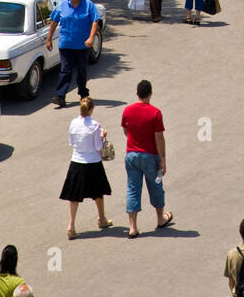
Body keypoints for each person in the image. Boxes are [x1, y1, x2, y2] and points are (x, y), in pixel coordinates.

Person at [121, 79, 173, 237]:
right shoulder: (155, 113)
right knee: (156, 187)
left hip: (131, 155)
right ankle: (160, 219)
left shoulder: (128, 110)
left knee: (132, 189)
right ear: (150, 93)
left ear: (137, 93)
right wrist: (163, 159)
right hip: (150, 156)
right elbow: (159, 138)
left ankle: (132, 227)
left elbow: (126, 130)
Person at [60, 96, 113, 238]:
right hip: (93, 162)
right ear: (91, 109)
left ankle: (71, 226)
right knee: (98, 192)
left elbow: (71, 142)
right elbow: (98, 146)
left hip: (76, 162)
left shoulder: (73, 123)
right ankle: (102, 219)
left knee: (74, 197)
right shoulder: (95, 125)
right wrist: (102, 136)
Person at [46, 0, 101, 110]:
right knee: (65, 70)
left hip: (82, 46)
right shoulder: (62, 5)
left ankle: (83, 94)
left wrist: (91, 37)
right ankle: (60, 96)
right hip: (66, 44)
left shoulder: (88, 5)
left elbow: (94, 22)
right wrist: (49, 39)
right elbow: (53, 22)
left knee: (81, 71)